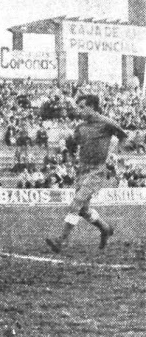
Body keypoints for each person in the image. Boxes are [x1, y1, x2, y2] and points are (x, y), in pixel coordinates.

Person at [46, 94, 127, 253]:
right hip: (82, 170)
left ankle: (62, 240)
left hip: (97, 170)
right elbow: (73, 144)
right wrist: (67, 147)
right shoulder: (81, 127)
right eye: (78, 107)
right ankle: (104, 228)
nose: (79, 110)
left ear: (92, 106)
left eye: (82, 107)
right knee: (83, 210)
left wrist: (114, 152)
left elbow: (123, 136)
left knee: (77, 201)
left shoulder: (106, 123)